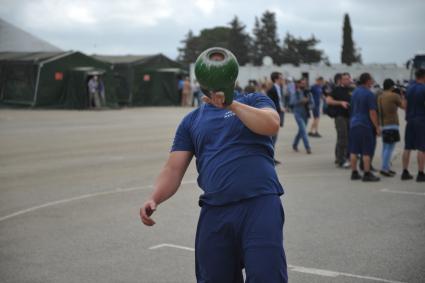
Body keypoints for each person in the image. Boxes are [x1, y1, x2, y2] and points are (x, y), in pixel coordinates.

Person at [140, 53, 288, 281]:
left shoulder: (253, 101)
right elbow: (173, 169)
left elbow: (271, 124)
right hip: (215, 210)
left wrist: (231, 104)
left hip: (260, 203)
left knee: (266, 276)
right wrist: (155, 198)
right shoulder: (191, 121)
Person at [349, 73, 380, 182]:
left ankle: (354, 172)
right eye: (371, 80)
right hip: (364, 124)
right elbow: (372, 112)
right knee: (367, 150)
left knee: (353, 150)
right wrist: (377, 127)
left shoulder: (354, 92)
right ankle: (367, 173)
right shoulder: (369, 94)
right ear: (367, 81)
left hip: (353, 123)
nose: (372, 81)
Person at [401, 68, 425, 182]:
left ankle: (404, 171)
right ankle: (420, 173)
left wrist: (408, 114)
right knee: (422, 147)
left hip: (410, 120)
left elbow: (404, 104)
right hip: (421, 119)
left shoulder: (409, 88)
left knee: (407, 147)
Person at [377, 79, 405, 177]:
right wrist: (402, 95)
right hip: (392, 124)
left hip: (384, 124)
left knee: (385, 147)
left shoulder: (380, 97)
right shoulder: (394, 96)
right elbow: (404, 106)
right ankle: (385, 168)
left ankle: (386, 167)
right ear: (392, 87)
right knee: (390, 148)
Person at [326, 73, 352, 168]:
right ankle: (341, 159)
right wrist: (341, 103)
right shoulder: (336, 90)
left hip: (350, 116)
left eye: (348, 79)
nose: (347, 81)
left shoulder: (352, 89)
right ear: (341, 80)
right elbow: (328, 100)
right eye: (345, 79)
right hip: (340, 116)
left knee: (348, 137)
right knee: (342, 137)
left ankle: (342, 156)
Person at [267, 72, 286, 165]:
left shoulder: (280, 88)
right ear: (276, 79)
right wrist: (279, 108)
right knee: (273, 137)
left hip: (280, 113)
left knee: (275, 137)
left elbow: (280, 100)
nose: (283, 79)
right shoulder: (271, 90)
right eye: (281, 78)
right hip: (275, 114)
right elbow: (270, 103)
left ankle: (272, 157)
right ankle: (270, 158)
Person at [290, 78, 312, 154]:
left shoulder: (308, 92)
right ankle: (308, 147)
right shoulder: (295, 93)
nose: (304, 85)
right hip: (298, 113)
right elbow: (292, 102)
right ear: (298, 84)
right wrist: (301, 101)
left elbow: (313, 103)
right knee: (303, 130)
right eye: (302, 83)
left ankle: (294, 144)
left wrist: (309, 105)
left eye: (305, 83)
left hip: (306, 114)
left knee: (301, 131)